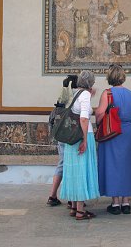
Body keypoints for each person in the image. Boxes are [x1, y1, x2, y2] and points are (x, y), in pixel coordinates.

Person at [96, 64, 131, 215]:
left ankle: (115, 203)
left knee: (112, 165)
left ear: (109, 77)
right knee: (127, 165)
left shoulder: (107, 94)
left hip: (112, 132)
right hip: (127, 132)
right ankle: (126, 201)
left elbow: (100, 115)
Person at [60, 70, 99, 220]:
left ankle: (74, 207)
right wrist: (84, 140)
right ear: (90, 84)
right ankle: (81, 211)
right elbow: (84, 118)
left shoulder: (72, 94)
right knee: (83, 170)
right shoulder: (85, 95)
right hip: (82, 134)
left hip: (70, 136)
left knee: (74, 172)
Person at [47, 75, 78, 207]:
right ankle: (72, 198)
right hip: (72, 138)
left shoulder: (61, 101)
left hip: (61, 138)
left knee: (61, 165)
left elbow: (51, 121)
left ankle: (52, 195)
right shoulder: (75, 101)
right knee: (72, 167)